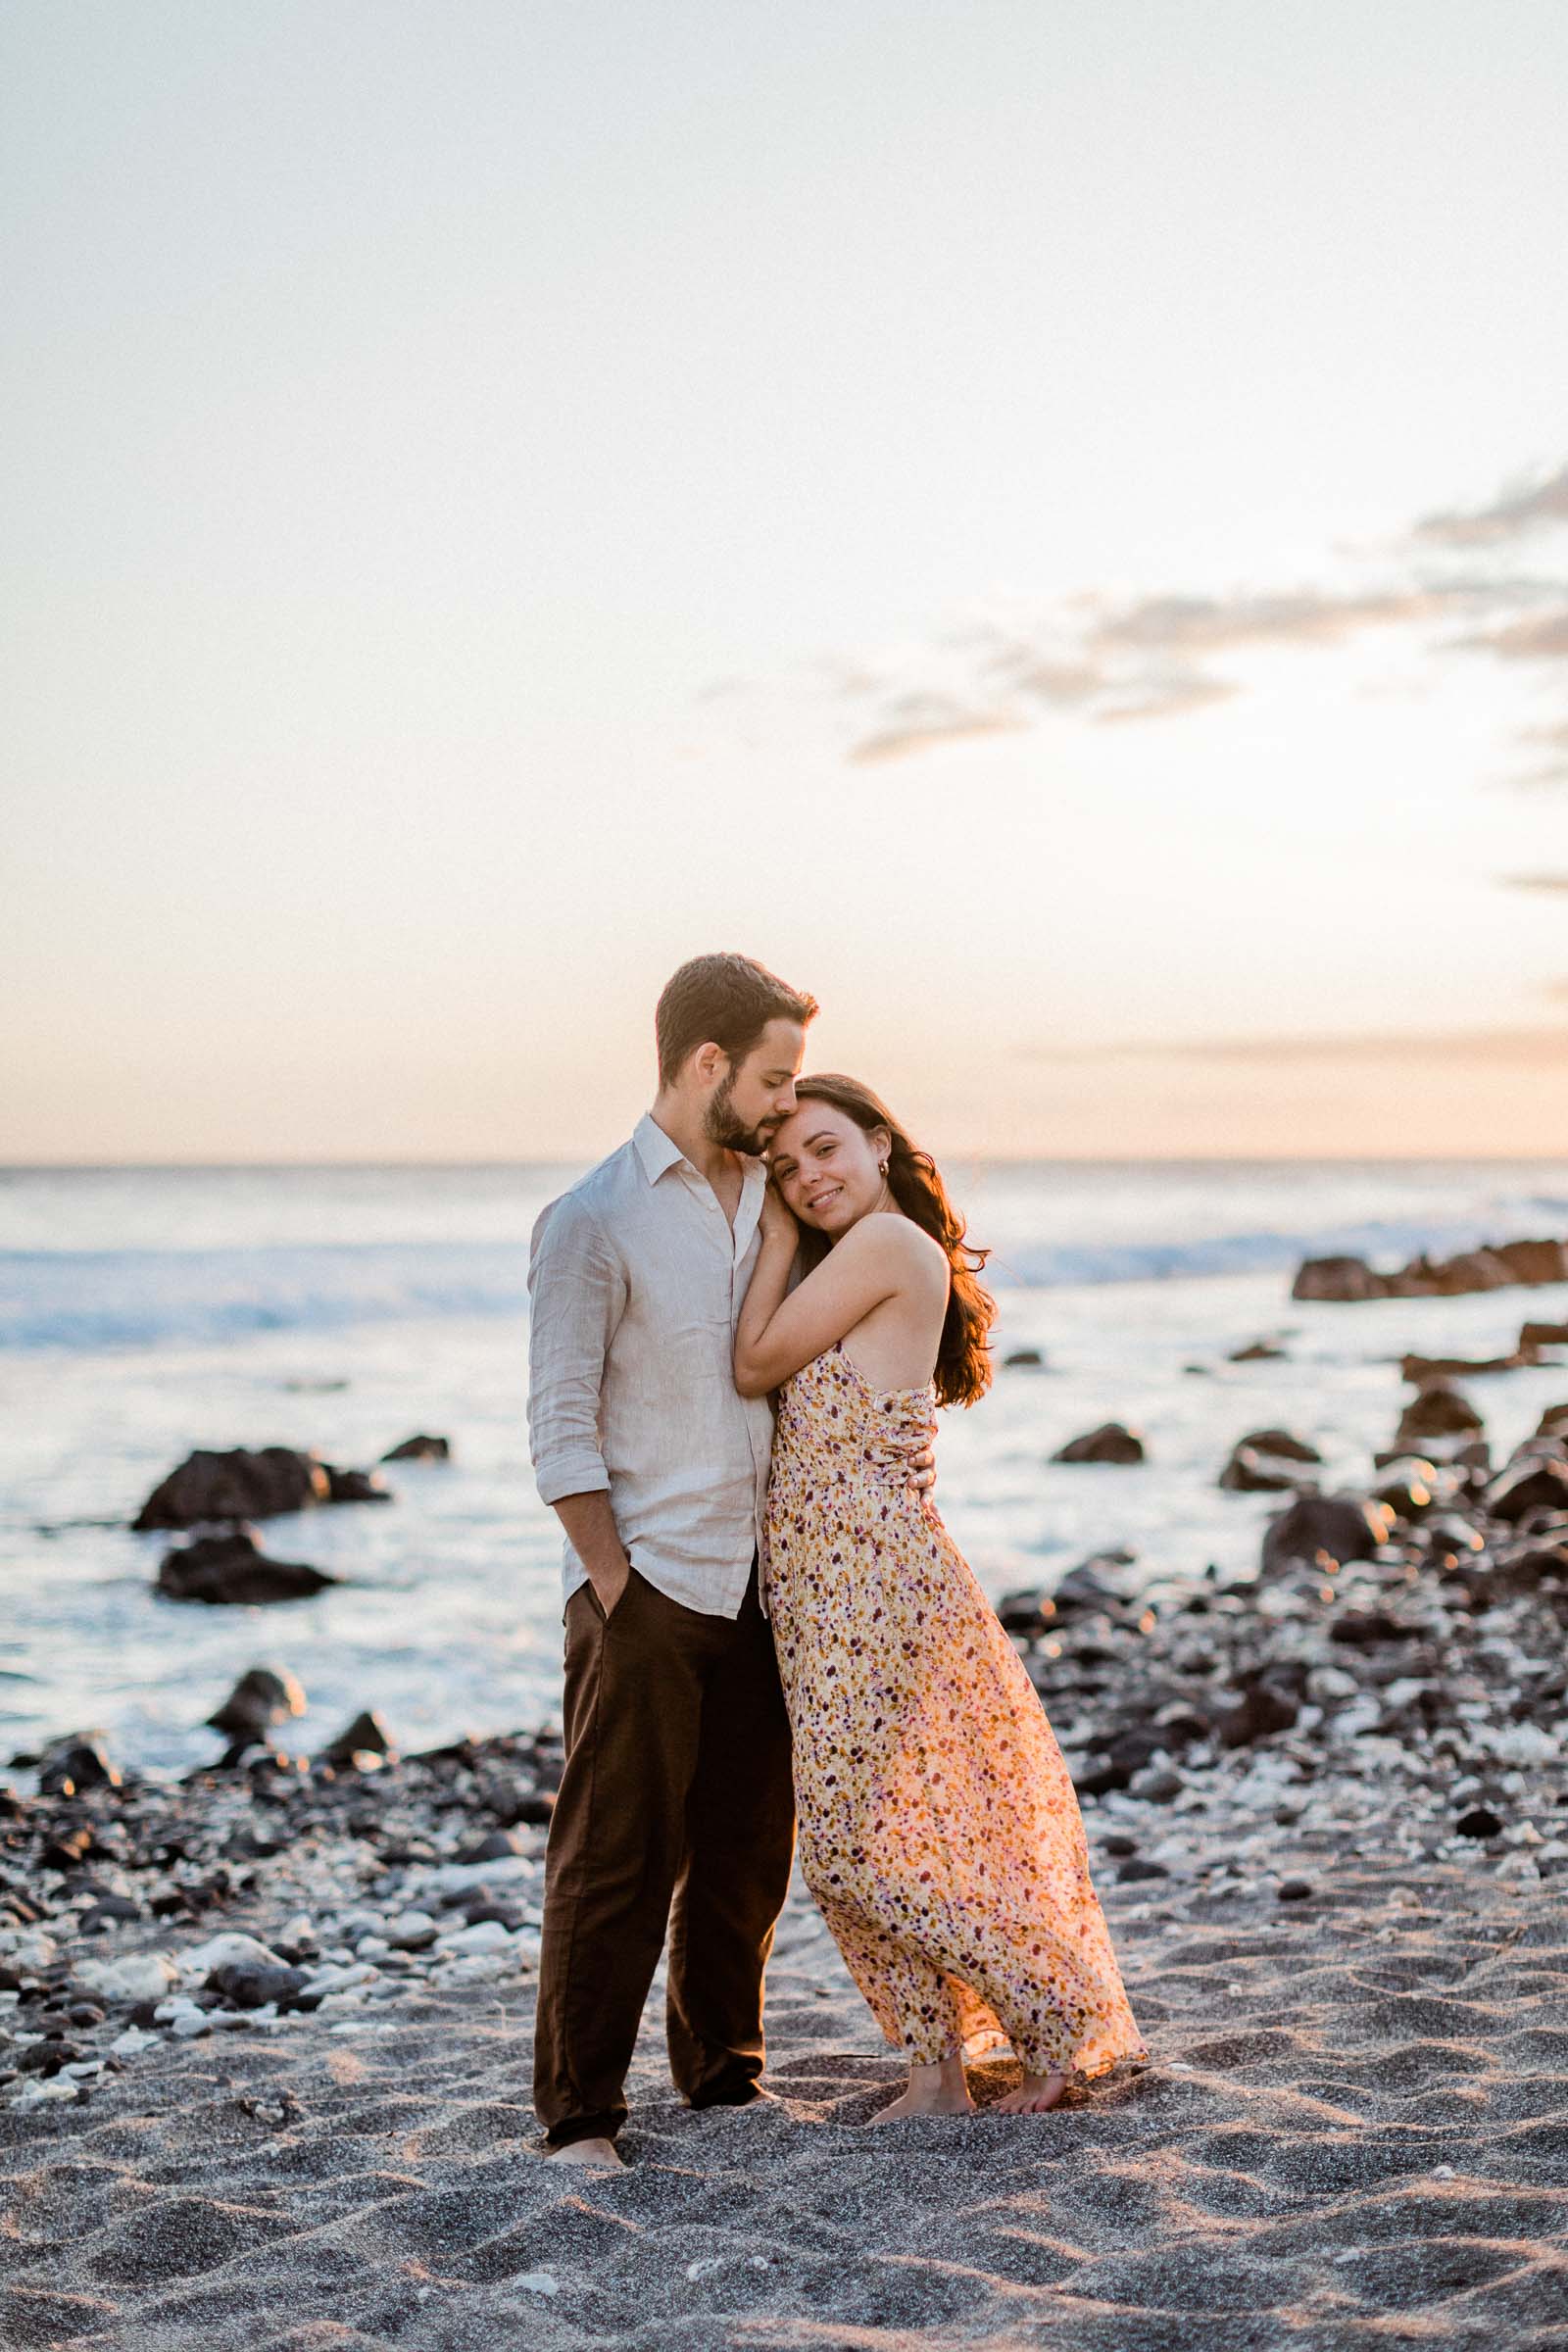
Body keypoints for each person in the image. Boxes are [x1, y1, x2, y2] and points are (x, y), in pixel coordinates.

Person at [525, 956, 932, 2168]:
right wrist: (617, 1586)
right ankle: (581, 2118)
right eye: (772, 1075)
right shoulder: (592, 1219)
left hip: (772, 1584)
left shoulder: (773, 1196)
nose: (784, 1101)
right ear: (708, 1064)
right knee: (615, 1854)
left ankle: (721, 2079)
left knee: (746, 1852)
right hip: (651, 1584)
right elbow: (558, 1428)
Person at [735, 1073, 1148, 2120]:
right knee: (886, 1830)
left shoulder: (881, 1248)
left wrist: (772, 1228)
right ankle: (935, 2077)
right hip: (826, 1586)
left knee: (847, 1849)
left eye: (822, 1151)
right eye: (784, 1168)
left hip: (868, 1578)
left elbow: (751, 1362)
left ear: (879, 1145)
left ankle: (1053, 2019)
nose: (805, 1179)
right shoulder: (867, 1259)